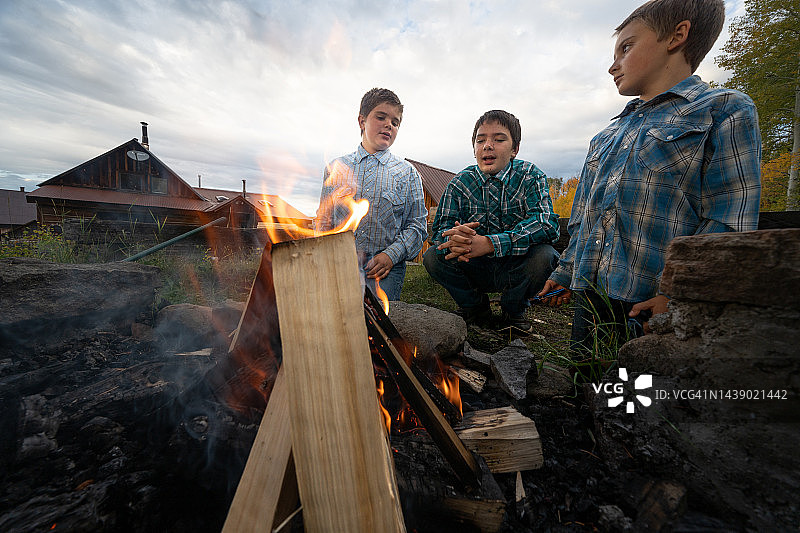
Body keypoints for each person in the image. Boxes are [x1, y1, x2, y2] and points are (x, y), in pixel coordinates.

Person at [538, 0, 761, 363]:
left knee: (642, 402)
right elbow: (584, 218)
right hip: (593, 297)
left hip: (653, 303)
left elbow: (729, 218)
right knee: (587, 382)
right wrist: (565, 271)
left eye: (626, 48)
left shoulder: (724, 109)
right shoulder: (606, 135)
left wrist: (677, 293)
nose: (613, 65)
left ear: (677, 36)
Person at [424, 110, 560, 334]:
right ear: (475, 149)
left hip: (516, 266)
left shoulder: (531, 177)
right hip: (475, 266)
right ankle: (476, 310)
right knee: (434, 257)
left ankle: (513, 311)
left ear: (514, 149)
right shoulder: (460, 183)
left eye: (499, 139)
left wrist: (490, 243)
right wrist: (459, 239)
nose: (488, 146)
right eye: (481, 140)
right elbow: (439, 232)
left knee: (546, 256)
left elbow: (546, 224)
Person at [317, 88, 427, 301]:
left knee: (376, 327)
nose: (389, 125)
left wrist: (390, 255)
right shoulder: (336, 168)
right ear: (361, 121)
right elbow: (324, 221)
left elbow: (417, 226)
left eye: (395, 122)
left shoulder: (407, 173)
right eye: (381, 117)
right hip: (340, 265)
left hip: (384, 270)